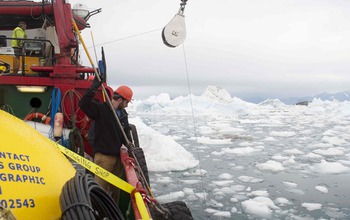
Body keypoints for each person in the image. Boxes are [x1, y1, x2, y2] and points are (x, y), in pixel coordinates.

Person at [79, 76, 133, 202]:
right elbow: (83, 104)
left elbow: (124, 133)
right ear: (120, 100)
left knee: (115, 192)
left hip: (117, 159)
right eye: (127, 102)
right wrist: (93, 88)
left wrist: (130, 145)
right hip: (104, 159)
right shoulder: (101, 109)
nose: (127, 106)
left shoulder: (123, 115)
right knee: (99, 192)